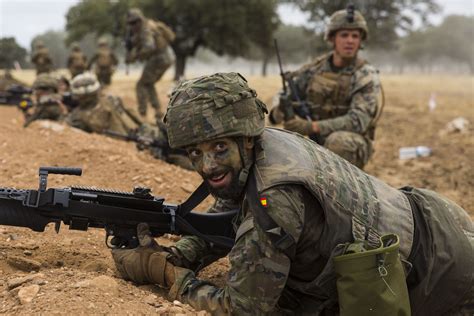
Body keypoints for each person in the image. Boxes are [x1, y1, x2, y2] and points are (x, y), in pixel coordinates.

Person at [112, 72, 473, 315]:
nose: (207, 166)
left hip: (442, 281)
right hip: (434, 218)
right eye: (195, 153)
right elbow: (229, 217)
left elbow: (244, 307)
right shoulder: (266, 145)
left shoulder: (275, 198)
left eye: (219, 148)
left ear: (245, 138)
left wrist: (166, 274)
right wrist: (180, 253)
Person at [269, 7, 382, 169]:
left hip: (352, 142)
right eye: (344, 35)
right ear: (332, 38)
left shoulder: (365, 75)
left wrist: (313, 126)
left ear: (360, 41)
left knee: (338, 143)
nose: (350, 41)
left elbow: (358, 121)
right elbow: (287, 92)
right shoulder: (314, 69)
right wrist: (279, 110)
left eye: (355, 36)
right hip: (316, 139)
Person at [65, 72, 191, 169]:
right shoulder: (111, 99)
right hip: (150, 133)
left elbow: (119, 138)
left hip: (141, 142)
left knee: (178, 155)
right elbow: (136, 117)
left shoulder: (81, 115)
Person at [125, 8, 175, 118]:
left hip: (159, 58)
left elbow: (149, 47)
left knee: (141, 85)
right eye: (131, 23)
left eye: (134, 22)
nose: (133, 26)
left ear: (140, 20)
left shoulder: (145, 30)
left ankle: (142, 113)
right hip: (167, 57)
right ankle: (157, 110)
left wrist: (135, 56)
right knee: (148, 83)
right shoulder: (151, 24)